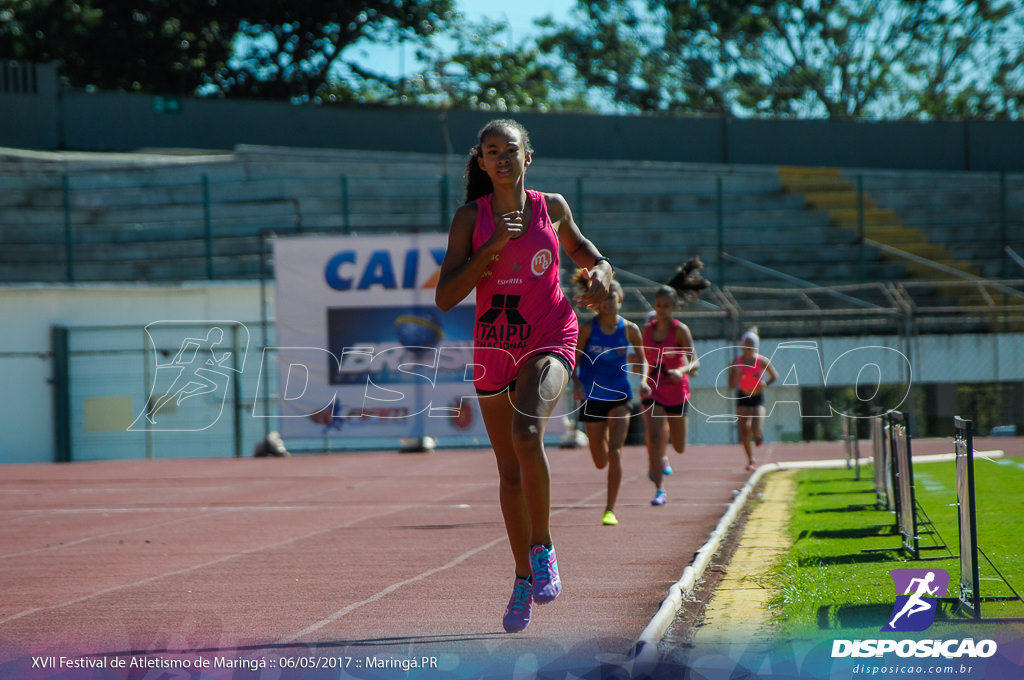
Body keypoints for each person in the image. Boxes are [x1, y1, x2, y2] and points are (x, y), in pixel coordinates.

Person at [435, 119, 614, 633]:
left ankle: (545, 549)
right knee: (508, 471)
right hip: (495, 343)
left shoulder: (550, 206)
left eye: (510, 149)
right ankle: (521, 577)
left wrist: (601, 268)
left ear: (526, 157)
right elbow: (446, 296)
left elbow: (582, 249)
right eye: (492, 151)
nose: (502, 157)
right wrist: (489, 250)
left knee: (527, 432)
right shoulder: (470, 218)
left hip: (550, 332)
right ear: (482, 162)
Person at [571, 276, 648, 527]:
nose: (607, 302)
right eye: (602, 298)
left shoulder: (629, 329)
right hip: (592, 396)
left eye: (611, 297)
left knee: (615, 454)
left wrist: (644, 380)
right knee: (600, 460)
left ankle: (609, 509)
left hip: (619, 395)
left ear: (620, 299)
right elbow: (573, 359)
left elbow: (643, 358)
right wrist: (577, 383)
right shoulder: (587, 329)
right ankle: (601, 443)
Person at [640, 277, 703, 506]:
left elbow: (695, 362)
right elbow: (644, 359)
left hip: (677, 392)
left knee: (679, 446)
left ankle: (665, 454)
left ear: (673, 307)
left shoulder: (680, 331)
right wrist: (643, 379)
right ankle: (659, 490)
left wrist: (681, 369)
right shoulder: (646, 331)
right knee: (655, 438)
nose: (662, 310)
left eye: (666, 306)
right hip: (653, 391)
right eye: (658, 305)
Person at [728, 328, 779, 471]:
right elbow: (731, 386)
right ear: (742, 345)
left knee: (755, 427)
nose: (749, 346)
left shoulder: (762, 361)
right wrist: (736, 375)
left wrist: (765, 384)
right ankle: (750, 459)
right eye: (746, 343)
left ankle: (758, 434)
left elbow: (775, 376)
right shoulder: (736, 362)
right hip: (743, 396)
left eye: (752, 343)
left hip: (757, 396)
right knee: (743, 430)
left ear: (756, 345)